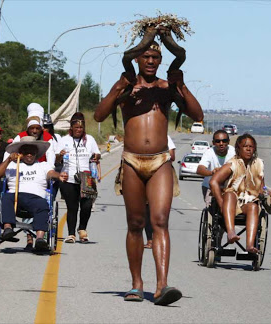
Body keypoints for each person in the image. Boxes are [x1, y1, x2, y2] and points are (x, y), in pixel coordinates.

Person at [95, 38, 203, 305]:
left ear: (161, 60)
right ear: (136, 60)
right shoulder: (128, 88)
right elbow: (98, 116)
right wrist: (118, 87)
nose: (151, 61)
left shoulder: (167, 88)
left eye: (156, 57)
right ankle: (136, 284)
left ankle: (162, 286)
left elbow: (197, 115)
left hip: (160, 162)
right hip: (131, 161)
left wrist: (181, 86)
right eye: (146, 57)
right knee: (135, 224)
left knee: (160, 222)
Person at [0, 136, 67, 252]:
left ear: (36, 154)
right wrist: (8, 160)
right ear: (20, 153)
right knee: (6, 197)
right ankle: (7, 229)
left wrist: (59, 176)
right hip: (15, 198)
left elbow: (52, 173)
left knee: (44, 204)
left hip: (36, 199)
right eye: (26, 152)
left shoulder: (43, 165)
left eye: (32, 153)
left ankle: (39, 239)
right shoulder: (12, 165)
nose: (29, 155)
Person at [210, 134, 271, 254]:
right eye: (245, 146)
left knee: (253, 206)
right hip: (230, 203)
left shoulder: (258, 164)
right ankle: (231, 232)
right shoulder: (232, 164)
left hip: (246, 202)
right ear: (238, 149)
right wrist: (220, 202)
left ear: (255, 149)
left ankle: (250, 245)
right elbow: (214, 182)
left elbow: (262, 187)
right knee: (230, 195)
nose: (248, 149)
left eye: (251, 146)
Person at [13, 103, 56, 248]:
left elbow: (51, 159)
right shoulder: (20, 137)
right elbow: (10, 155)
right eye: (32, 128)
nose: (35, 131)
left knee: (40, 198)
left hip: (41, 175)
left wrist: (48, 173)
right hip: (23, 174)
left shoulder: (48, 138)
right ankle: (29, 239)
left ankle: (37, 236)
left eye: (38, 127)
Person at [56, 112, 101, 244]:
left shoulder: (90, 139)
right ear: (71, 128)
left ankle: (82, 229)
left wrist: (95, 157)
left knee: (87, 205)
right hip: (68, 178)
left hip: (86, 177)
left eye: (81, 128)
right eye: (76, 128)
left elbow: (97, 154)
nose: (79, 130)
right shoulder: (64, 141)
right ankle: (71, 234)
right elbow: (57, 160)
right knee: (72, 207)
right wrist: (60, 155)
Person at [144, 135, 176, 249]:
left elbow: (172, 156)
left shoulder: (165, 136)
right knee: (147, 211)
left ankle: (155, 239)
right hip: (146, 175)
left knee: (156, 211)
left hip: (160, 176)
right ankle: (151, 240)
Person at [196, 130, 236, 203]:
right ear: (213, 143)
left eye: (224, 141)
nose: (221, 144)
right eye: (218, 141)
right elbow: (199, 169)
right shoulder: (209, 153)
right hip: (209, 187)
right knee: (212, 209)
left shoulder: (234, 152)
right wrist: (212, 172)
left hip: (229, 187)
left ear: (228, 142)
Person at [43, 113, 62, 200]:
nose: (44, 129)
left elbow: (59, 155)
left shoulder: (56, 137)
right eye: (42, 126)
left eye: (46, 126)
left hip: (54, 166)